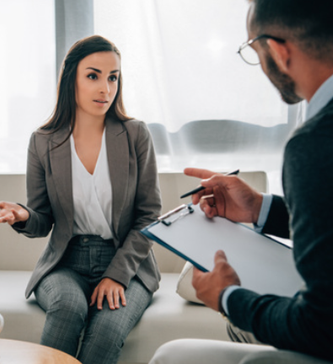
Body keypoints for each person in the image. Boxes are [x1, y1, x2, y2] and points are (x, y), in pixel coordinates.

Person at [150, 0, 333, 363]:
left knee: (172, 356)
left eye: (254, 50)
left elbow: (321, 325)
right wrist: (260, 208)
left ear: (279, 52)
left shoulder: (314, 145)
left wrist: (228, 297)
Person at [0, 35, 162, 364]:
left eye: (113, 77)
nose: (105, 88)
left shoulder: (136, 134)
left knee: (107, 330)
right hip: (66, 262)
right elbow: (42, 219)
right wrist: (24, 215)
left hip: (126, 262)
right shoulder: (43, 142)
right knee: (68, 308)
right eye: (93, 76)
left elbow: (149, 216)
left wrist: (116, 275)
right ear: (72, 79)